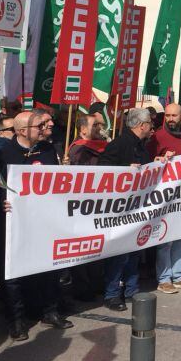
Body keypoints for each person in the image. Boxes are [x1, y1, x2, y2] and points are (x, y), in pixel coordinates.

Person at [0, 111, 73, 341]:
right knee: (12, 272)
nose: (45, 127)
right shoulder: (2, 154)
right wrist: (2, 203)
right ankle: (16, 318)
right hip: (12, 224)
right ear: (22, 131)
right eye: (40, 125)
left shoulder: (48, 150)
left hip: (43, 222)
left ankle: (50, 310)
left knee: (48, 266)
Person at [97, 108, 154, 310]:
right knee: (119, 253)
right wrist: (123, 171)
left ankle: (132, 289)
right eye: (149, 123)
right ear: (141, 125)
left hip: (136, 207)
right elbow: (102, 168)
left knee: (133, 250)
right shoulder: (120, 144)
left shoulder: (141, 144)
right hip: (120, 208)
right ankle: (112, 294)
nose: (151, 127)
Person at [146, 104, 181, 293]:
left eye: (174, 115)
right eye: (167, 115)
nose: (170, 118)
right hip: (164, 196)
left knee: (180, 237)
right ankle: (164, 278)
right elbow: (148, 161)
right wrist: (158, 158)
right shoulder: (157, 136)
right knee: (165, 240)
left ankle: (179, 275)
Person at [66, 114, 108, 302]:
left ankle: (97, 282)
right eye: (94, 125)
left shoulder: (101, 145)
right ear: (83, 129)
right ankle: (83, 288)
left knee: (97, 245)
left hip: (99, 204)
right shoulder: (77, 150)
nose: (99, 127)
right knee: (83, 248)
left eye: (100, 124)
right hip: (82, 205)